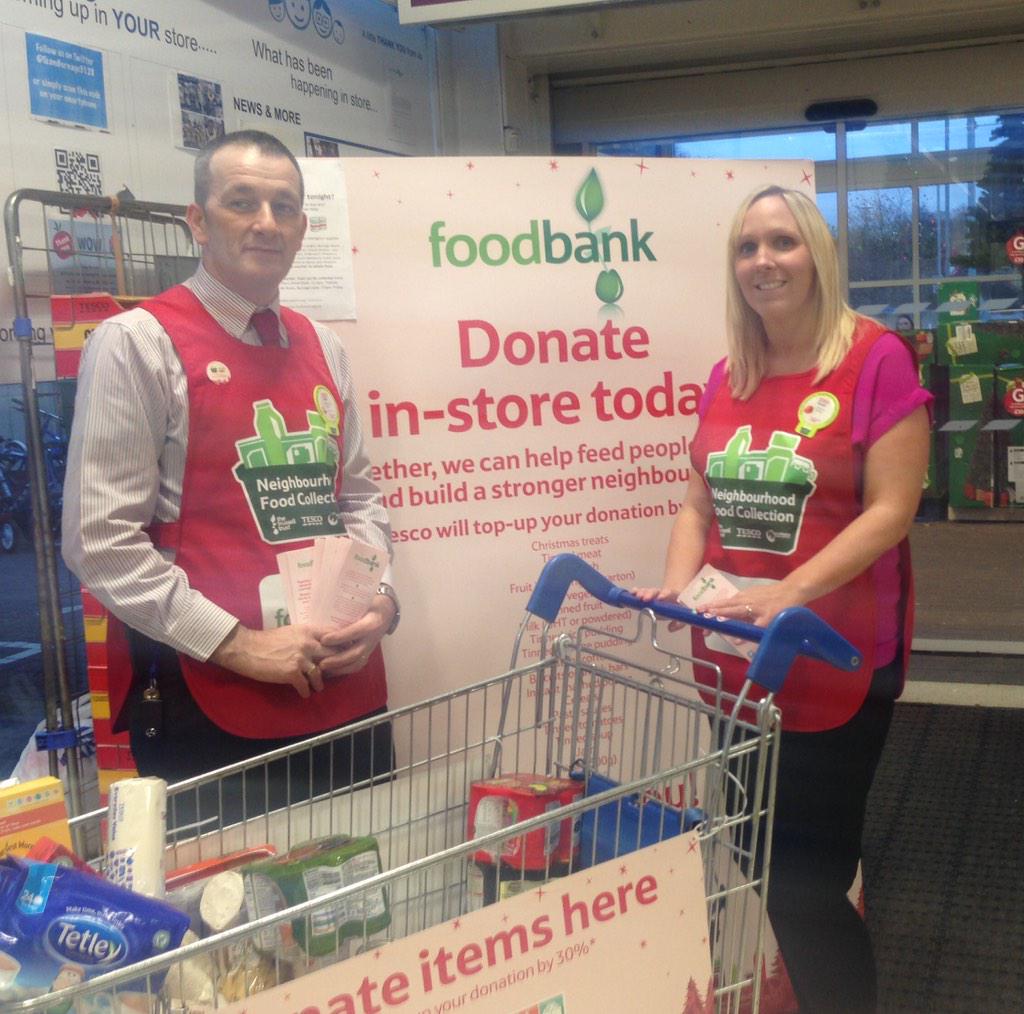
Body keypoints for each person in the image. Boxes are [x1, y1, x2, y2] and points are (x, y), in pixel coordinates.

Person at [635, 184, 931, 1012]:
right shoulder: (732, 373)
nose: (764, 261)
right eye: (747, 247)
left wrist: (787, 595)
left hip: (836, 661)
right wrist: (678, 587)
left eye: (783, 242)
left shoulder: (876, 358)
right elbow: (698, 503)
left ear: (818, 255)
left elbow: (892, 509)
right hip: (735, 665)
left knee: (804, 882)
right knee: (760, 859)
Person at [62, 130, 399, 813]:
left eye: (283, 207)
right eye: (242, 202)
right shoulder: (138, 345)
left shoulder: (324, 347)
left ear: (304, 229)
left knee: (375, 887)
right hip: (210, 696)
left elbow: (357, 498)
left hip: (346, 685)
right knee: (233, 906)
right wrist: (239, 645)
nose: (265, 223)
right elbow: (99, 543)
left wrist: (382, 602)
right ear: (198, 219)